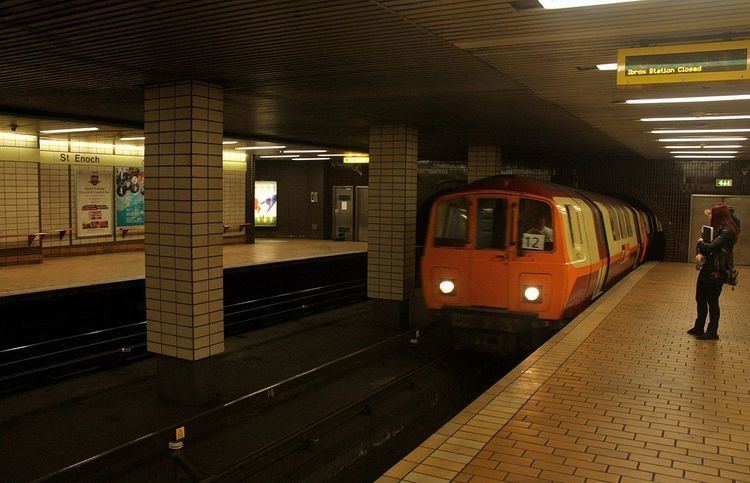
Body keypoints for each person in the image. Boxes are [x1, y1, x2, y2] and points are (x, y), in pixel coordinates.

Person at [688, 203, 739, 340]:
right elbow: (706, 247)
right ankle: (699, 326)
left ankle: (712, 331)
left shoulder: (727, 231)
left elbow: (711, 247)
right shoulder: (715, 229)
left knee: (712, 301)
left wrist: (700, 243)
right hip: (707, 268)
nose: (709, 215)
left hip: (717, 271)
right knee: (700, 298)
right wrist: (700, 249)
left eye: (710, 213)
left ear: (717, 215)